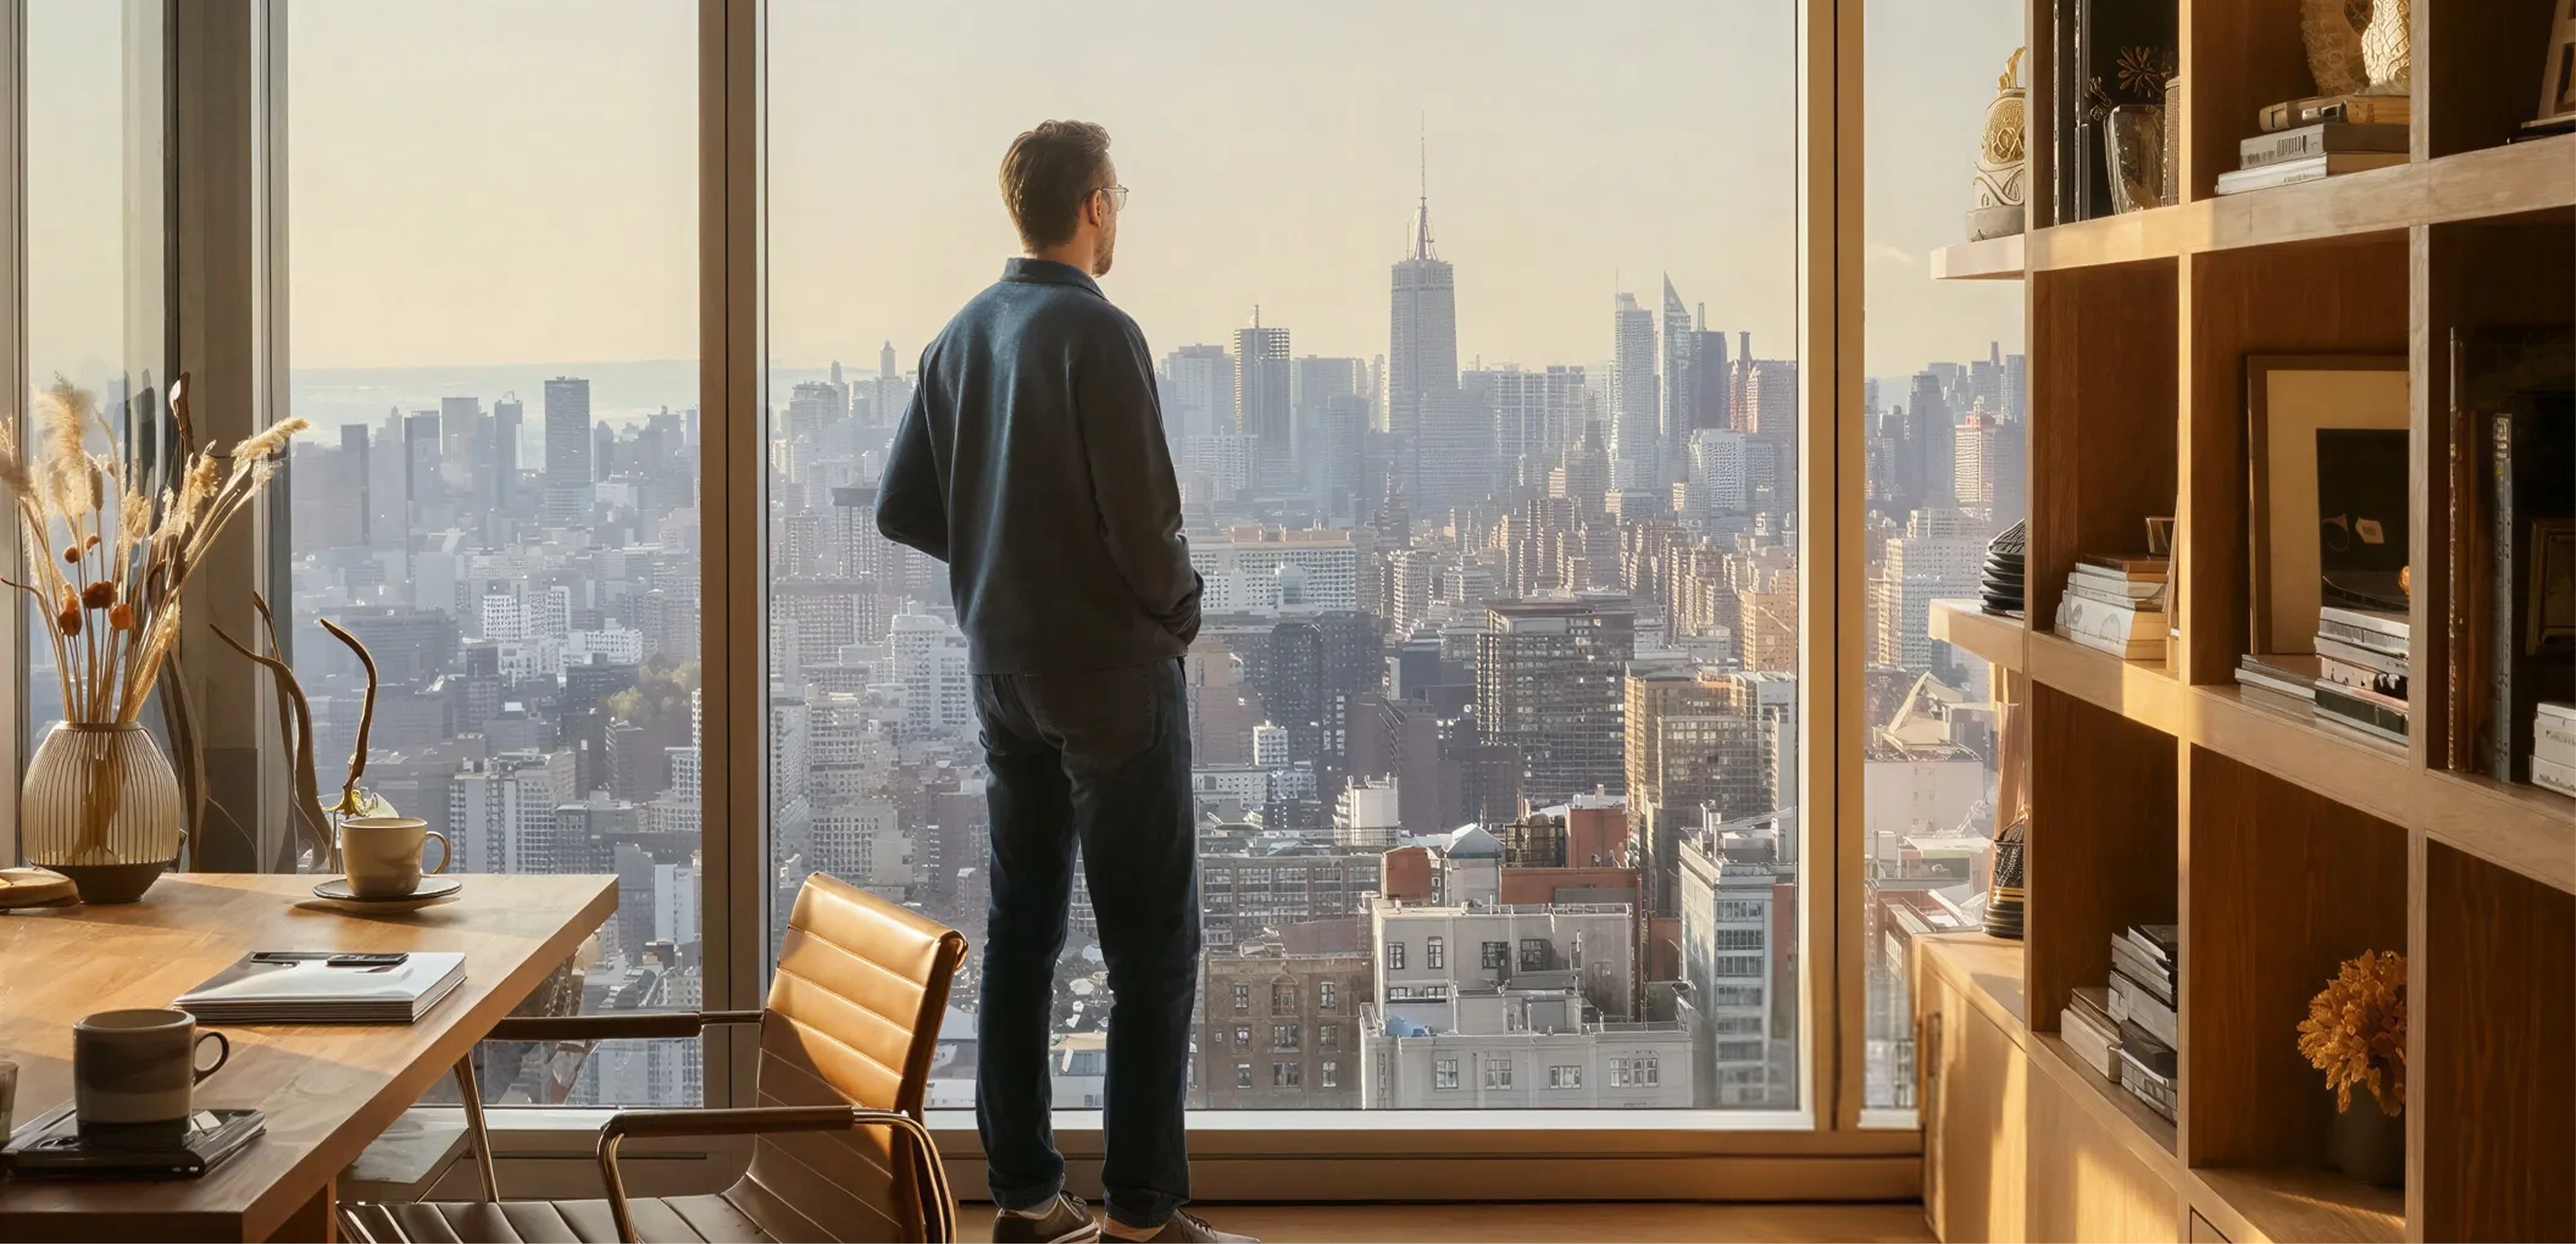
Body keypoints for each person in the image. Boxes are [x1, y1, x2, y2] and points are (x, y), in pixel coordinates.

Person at [876, 120, 1251, 1244]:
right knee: (1151, 948)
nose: (1117, 211)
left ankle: (1029, 1202)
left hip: (1002, 674)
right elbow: (1143, 521)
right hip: (1111, 679)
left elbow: (903, 504)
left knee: (1024, 934)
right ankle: (1142, 1216)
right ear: (1094, 205)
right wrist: (1180, 614)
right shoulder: (1098, 332)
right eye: (1117, 195)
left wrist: (1003, 559)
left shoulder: (959, 337)